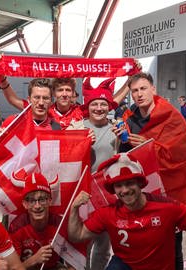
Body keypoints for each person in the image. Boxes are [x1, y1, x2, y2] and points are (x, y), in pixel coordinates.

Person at [115, 72, 186, 270]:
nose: (139, 94)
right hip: (139, 194)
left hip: (167, 192)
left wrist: (151, 147)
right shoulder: (130, 118)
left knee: (172, 245)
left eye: (143, 89)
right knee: (141, 246)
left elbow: (183, 155)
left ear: (153, 89)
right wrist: (119, 140)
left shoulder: (170, 116)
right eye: (134, 91)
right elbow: (125, 156)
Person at [67, 154, 186, 270]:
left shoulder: (168, 207)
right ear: (113, 189)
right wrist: (74, 208)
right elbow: (77, 235)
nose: (125, 190)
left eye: (129, 183)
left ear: (140, 183)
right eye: (119, 186)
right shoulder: (107, 213)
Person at [0, 54, 131, 130]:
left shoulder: (81, 111)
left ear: (73, 93)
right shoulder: (45, 108)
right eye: (60, 90)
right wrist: (2, 79)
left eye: (68, 90)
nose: (64, 93)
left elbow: (112, 103)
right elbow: (13, 100)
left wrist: (130, 79)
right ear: (54, 94)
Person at [81, 77, 118, 269]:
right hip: (84, 196)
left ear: (109, 106)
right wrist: (80, 142)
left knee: (104, 246)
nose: (98, 108)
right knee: (83, 245)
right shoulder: (77, 128)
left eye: (103, 103)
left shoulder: (117, 129)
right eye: (94, 103)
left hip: (107, 196)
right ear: (88, 106)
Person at [8, 172, 71, 270]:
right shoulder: (16, 226)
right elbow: (12, 269)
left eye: (42, 199)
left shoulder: (59, 224)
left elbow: (73, 258)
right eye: (32, 201)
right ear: (25, 204)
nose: (37, 206)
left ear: (50, 201)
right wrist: (35, 259)